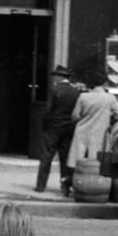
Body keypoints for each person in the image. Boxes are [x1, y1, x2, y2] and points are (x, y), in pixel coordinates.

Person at [65, 70, 118, 177]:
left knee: (78, 161)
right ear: (105, 83)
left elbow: (75, 116)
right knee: (96, 164)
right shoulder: (110, 98)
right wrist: (110, 120)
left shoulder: (83, 96)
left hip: (82, 133)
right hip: (99, 134)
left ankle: (73, 183)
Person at [35, 65, 81, 195]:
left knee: (46, 157)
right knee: (65, 159)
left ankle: (41, 186)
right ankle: (65, 188)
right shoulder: (75, 92)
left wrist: (45, 124)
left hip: (53, 129)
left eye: (55, 75)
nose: (54, 78)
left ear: (60, 76)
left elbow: (48, 110)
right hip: (68, 129)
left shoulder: (54, 90)